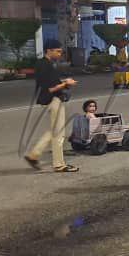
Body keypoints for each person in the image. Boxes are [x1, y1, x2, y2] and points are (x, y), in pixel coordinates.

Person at [24, 40, 78, 173]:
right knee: (59, 133)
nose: (60, 54)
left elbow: (50, 83)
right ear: (49, 50)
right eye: (58, 51)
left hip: (48, 100)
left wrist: (63, 82)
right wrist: (66, 84)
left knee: (54, 131)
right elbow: (50, 88)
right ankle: (59, 164)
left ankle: (33, 155)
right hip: (53, 100)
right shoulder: (46, 65)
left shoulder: (44, 64)